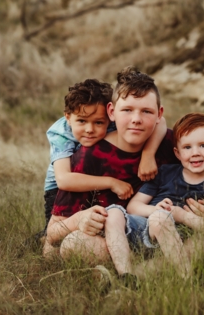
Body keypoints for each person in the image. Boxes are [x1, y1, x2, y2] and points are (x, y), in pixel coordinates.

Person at [44, 66, 178, 285]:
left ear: (159, 115)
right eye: (127, 110)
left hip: (164, 232)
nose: (136, 119)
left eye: (146, 111)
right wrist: (81, 219)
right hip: (111, 241)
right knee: (73, 245)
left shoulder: (171, 144)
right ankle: (148, 268)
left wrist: (202, 208)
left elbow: (201, 184)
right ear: (112, 112)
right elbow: (53, 232)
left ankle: (134, 273)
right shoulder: (88, 157)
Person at [40, 78, 166, 236]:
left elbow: (161, 122)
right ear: (68, 117)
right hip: (59, 186)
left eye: (99, 123)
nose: (89, 129)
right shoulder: (61, 134)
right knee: (53, 233)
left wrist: (148, 154)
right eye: (81, 121)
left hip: (90, 176)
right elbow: (64, 180)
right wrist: (111, 183)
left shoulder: (115, 121)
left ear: (109, 115)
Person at [126, 112, 204, 276]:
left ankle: (144, 273)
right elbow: (133, 206)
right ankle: (178, 276)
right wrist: (158, 210)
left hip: (188, 239)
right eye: (187, 147)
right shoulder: (165, 173)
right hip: (153, 235)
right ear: (177, 153)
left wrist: (186, 216)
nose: (195, 152)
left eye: (203, 145)